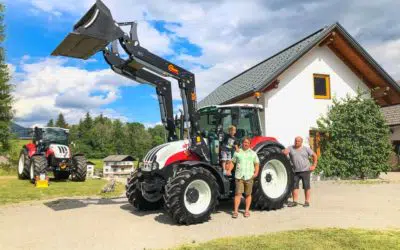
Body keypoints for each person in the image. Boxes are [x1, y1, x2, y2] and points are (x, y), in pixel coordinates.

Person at [283, 136, 317, 207]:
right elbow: (284, 151)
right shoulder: (290, 148)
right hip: (295, 171)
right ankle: (295, 201)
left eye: (298, 141)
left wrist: (314, 165)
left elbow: (314, 155)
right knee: (294, 186)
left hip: (305, 170)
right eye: (295, 141)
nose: (296, 142)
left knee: (306, 186)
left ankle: (307, 202)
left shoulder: (306, 149)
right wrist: (284, 152)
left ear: (301, 142)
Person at [231, 137, 259, 218]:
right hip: (239, 176)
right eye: (244, 142)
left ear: (250, 144)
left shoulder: (253, 153)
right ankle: (235, 211)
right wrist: (229, 170)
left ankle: (246, 211)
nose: (245, 144)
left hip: (249, 176)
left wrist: (256, 173)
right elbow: (233, 162)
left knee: (248, 194)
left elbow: (256, 164)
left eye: (247, 143)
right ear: (242, 143)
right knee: (238, 194)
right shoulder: (237, 152)